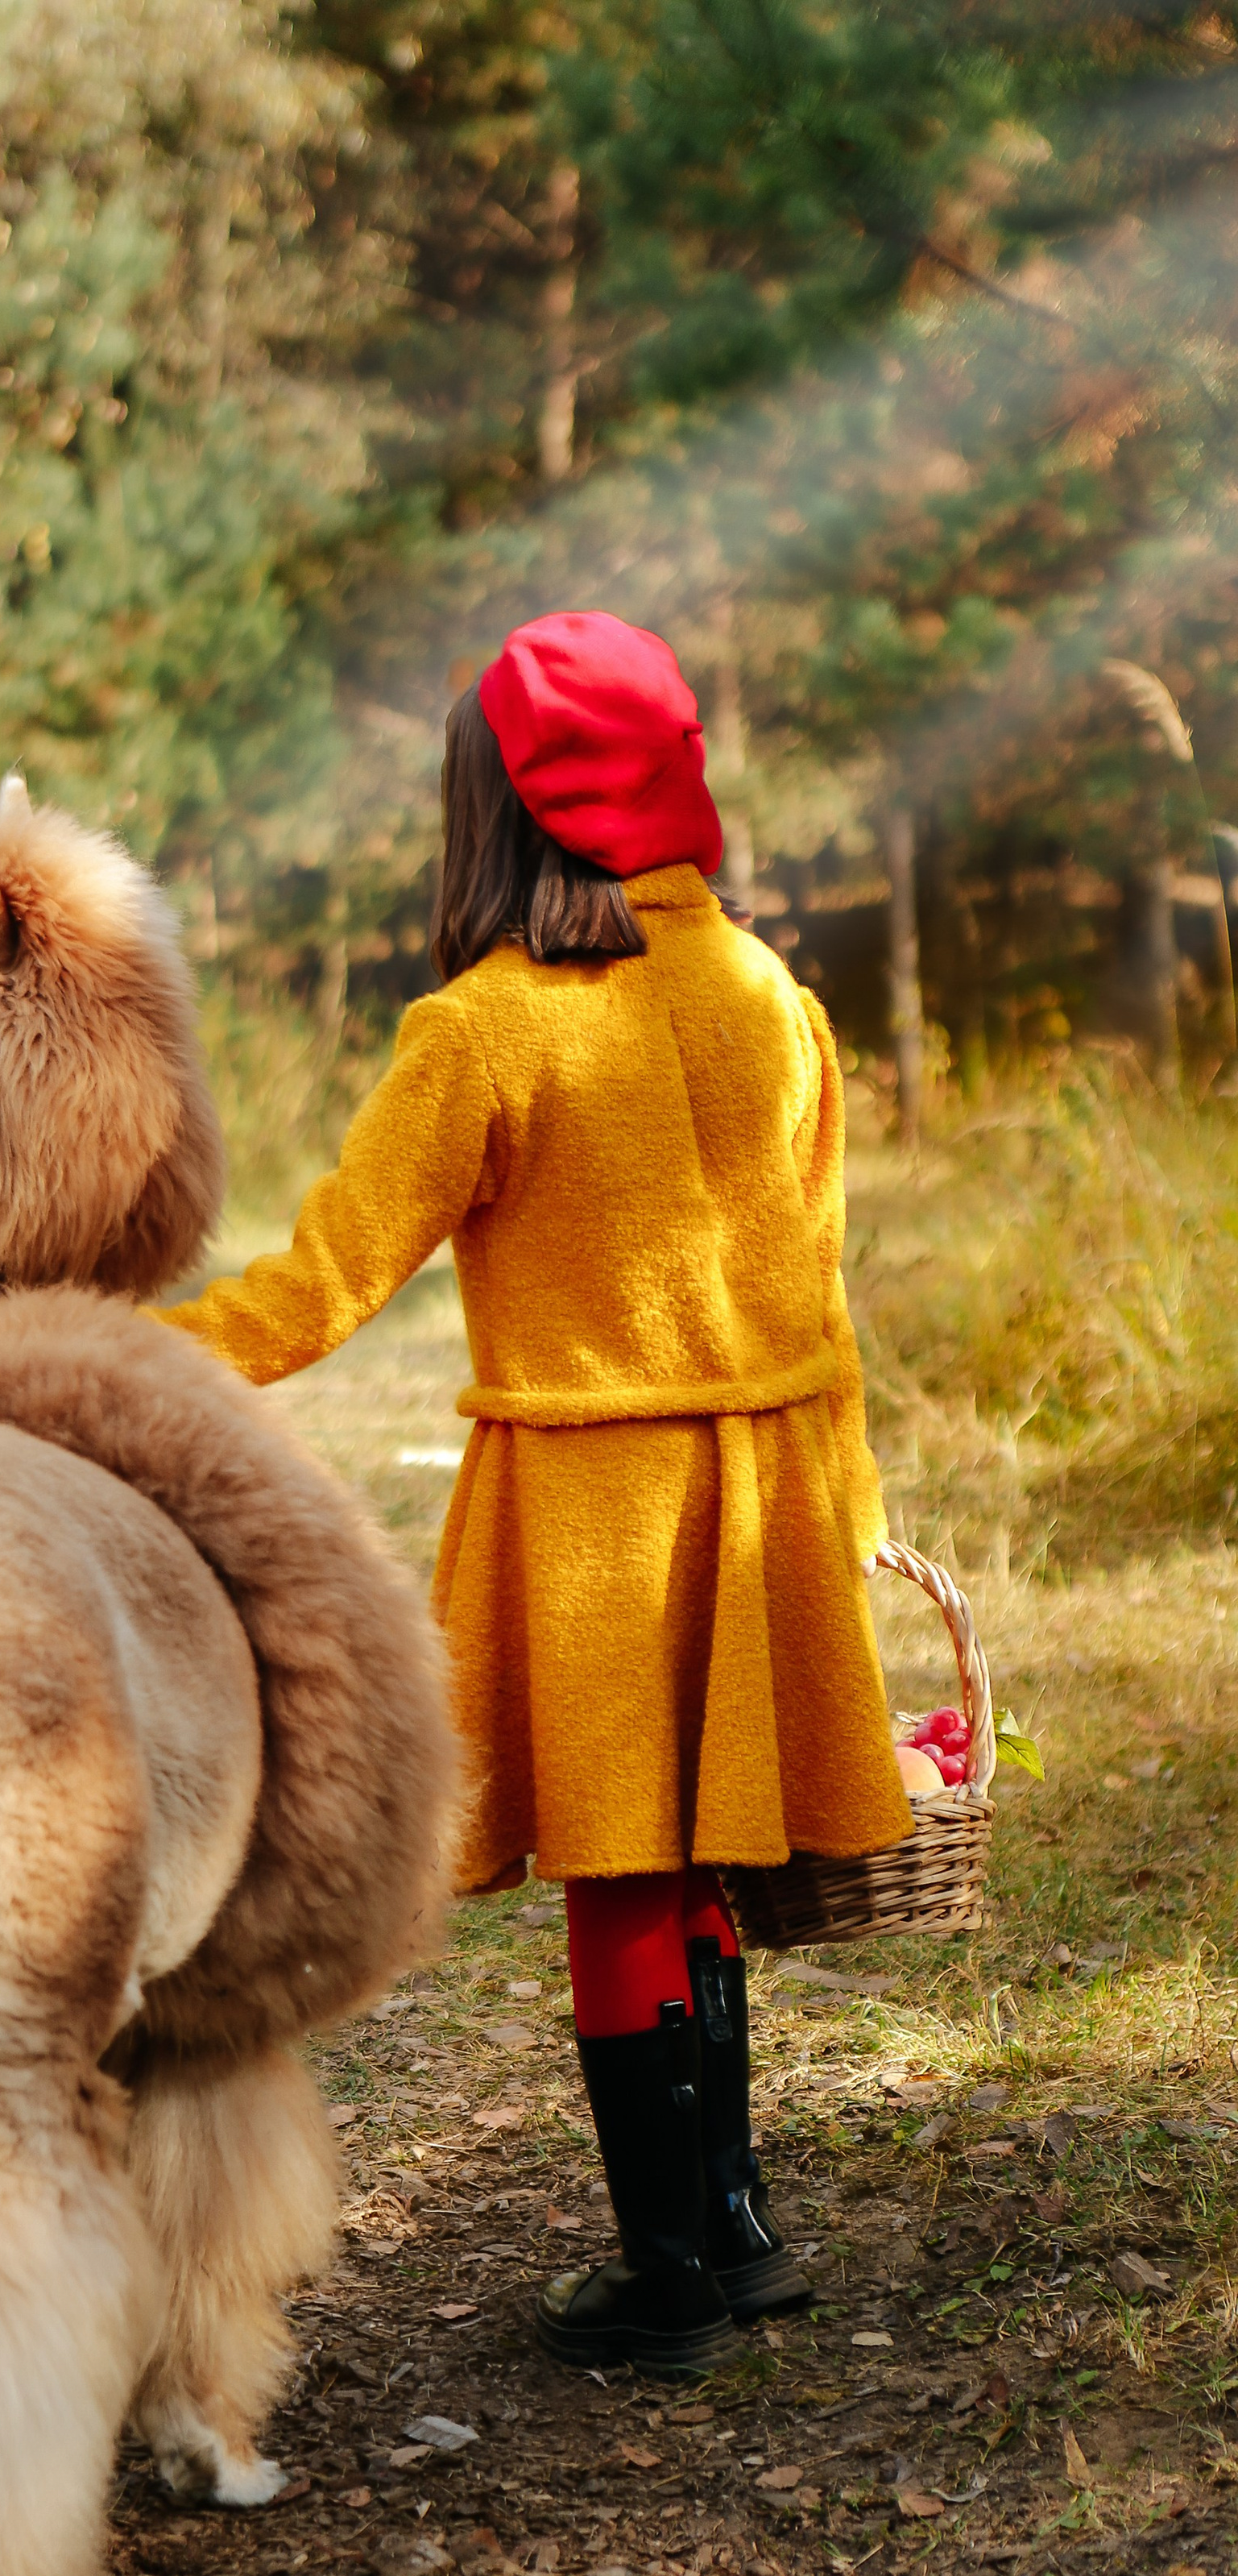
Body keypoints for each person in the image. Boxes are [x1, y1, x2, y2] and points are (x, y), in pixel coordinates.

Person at [156, 609, 911, 2378]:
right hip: (761, 1490)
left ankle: (672, 2270)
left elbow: (319, 1284)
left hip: (592, 1519)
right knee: (703, 1863)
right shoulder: (770, 1001)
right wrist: (849, 1497)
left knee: (622, 1884)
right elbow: (823, 1288)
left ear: (494, 813)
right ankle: (728, 2228)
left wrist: (106, 1347)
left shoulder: (484, 1032)